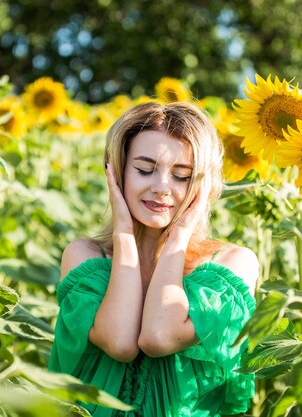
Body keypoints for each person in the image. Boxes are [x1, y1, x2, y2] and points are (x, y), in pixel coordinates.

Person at [48, 101, 259, 417]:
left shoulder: (231, 265)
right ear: (117, 172)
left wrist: (178, 237)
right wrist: (123, 233)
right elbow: (120, 342)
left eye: (182, 176)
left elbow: (159, 336)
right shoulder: (86, 258)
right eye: (145, 170)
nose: (162, 188)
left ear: (205, 184)